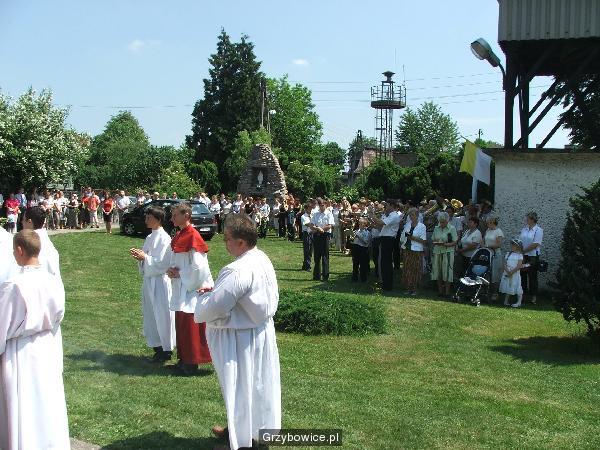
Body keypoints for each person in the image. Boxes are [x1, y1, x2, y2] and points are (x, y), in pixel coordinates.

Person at [194, 214, 281, 450]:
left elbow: (212, 309)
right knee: (256, 387)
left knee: (240, 389)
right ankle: (243, 431)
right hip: (259, 332)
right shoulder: (261, 258)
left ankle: (242, 443)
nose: (225, 243)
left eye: (227, 239)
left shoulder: (236, 270)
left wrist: (203, 300)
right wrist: (216, 292)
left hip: (239, 339)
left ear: (241, 242)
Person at [0, 230, 70, 450]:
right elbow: (59, 314)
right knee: (47, 400)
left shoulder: (14, 286)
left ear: (20, 250)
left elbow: (2, 325)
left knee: (24, 403)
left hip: (20, 351)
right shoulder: (53, 281)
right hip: (47, 346)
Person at [167, 203, 213, 376]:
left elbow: (199, 267)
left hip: (192, 288)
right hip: (182, 286)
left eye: (175, 215)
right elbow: (177, 259)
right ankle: (183, 359)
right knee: (182, 324)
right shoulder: (180, 234)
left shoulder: (193, 235)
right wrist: (172, 270)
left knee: (191, 325)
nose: (172, 218)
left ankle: (192, 362)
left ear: (186, 215)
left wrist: (181, 274)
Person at [130, 206, 176, 362]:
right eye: (146, 217)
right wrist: (141, 258)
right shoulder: (150, 237)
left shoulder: (164, 238)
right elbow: (148, 257)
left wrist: (145, 258)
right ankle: (157, 347)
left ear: (158, 219)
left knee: (162, 315)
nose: (146, 220)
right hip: (149, 281)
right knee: (151, 314)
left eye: (149, 218)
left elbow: (163, 263)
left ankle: (165, 349)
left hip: (160, 282)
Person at [21, 206, 62, 283]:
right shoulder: (47, 243)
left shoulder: (32, 245)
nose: (22, 222)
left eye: (23, 220)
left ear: (29, 222)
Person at [372, 200, 401, 291]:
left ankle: (387, 285)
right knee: (383, 263)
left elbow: (381, 223)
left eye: (387, 205)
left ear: (392, 206)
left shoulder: (394, 216)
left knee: (387, 263)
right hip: (385, 239)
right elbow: (380, 226)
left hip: (388, 240)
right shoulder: (390, 215)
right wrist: (372, 220)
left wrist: (372, 215)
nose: (386, 207)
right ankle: (384, 283)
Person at [400, 208, 427, 296]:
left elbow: (424, 240)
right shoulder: (407, 225)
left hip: (416, 250)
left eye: (413, 215)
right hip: (406, 249)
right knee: (407, 269)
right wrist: (402, 243)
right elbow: (403, 236)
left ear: (417, 215)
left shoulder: (422, 226)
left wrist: (412, 238)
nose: (411, 217)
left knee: (415, 269)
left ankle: (415, 289)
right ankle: (408, 288)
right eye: (410, 215)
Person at [431, 211, 458, 298]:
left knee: (447, 271)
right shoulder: (436, 228)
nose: (441, 224)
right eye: (440, 222)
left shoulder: (452, 228)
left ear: (447, 220)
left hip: (448, 251)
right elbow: (433, 239)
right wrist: (437, 242)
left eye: (443, 222)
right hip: (437, 251)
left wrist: (446, 244)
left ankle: (447, 292)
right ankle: (440, 291)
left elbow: (455, 241)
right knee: (437, 271)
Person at [519, 212, 543, 305]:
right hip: (523, 255)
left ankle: (533, 296)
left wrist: (524, 250)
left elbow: (536, 244)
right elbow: (520, 241)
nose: (526, 220)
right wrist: (520, 251)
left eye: (528, 218)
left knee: (532, 275)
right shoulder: (524, 229)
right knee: (522, 274)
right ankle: (523, 295)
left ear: (533, 219)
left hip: (532, 256)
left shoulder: (538, 230)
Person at [309, 198, 335, 281]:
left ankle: (325, 275)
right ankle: (316, 275)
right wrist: (317, 228)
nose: (321, 207)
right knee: (317, 255)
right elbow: (311, 224)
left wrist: (322, 229)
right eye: (320, 205)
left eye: (322, 205)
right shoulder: (316, 214)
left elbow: (330, 225)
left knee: (325, 256)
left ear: (325, 205)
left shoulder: (329, 214)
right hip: (317, 235)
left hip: (325, 235)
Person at [483, 214, 504, 300]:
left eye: (488, 222)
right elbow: (484, 240)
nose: (487, 224)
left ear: (492, 222)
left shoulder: (498, 231)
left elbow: (499, 244)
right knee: (487, 273)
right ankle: (487, 291)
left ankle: (495, 293)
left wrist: (488, 246)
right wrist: (483, 246)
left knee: (495, 274)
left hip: (495, 254)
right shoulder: (488, 230)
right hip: (488, 253)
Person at [500, 238, 524, 308]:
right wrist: (507, 271)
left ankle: (519, 302)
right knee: (508, 286)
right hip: (507, 272)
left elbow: (519, 266)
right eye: (511, 245)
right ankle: (506, 300)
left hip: (515, 273)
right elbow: (504, 263)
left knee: (516, 285)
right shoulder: (508, 254)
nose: (512, 246)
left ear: (518, 247)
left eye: (514, 245)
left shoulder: (520, 255)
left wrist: (511, 272)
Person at [352, 218, 371, 282]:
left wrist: (359, 236)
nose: (359, 225)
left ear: (365, 224)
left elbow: (366, 241)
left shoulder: (367, 232)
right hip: (356, 247)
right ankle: (354, 278)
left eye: (361, 224)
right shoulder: (357, 231)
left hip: (363, 249)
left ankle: (363, 278)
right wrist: (352, 237)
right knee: (355, 263)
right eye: (359, 224)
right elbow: (353, 240)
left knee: (363, 264)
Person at [300, 204, 313, 271]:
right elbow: (307, 224)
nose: (310, 210)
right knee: (307, 250)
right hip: (306, 234)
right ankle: (307, 266)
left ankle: (305, 265)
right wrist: (314, 225)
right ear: (306, 209)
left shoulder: (312, 215)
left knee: (310, 250)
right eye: (309, 208)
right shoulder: (303, 216)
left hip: (312, 233)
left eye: (311, 208)